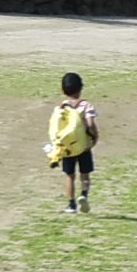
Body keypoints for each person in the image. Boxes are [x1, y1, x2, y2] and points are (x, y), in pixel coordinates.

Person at [46, 71, 100, 215]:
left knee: (70, 176)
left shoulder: (60, 108)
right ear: (81, 88)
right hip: (84, 147)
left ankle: (71, 204)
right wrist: (95, 136)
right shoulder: (86, 105)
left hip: (68, 148)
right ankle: (84, 194)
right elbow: (90, 122)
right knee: (85, 175)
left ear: (63, 90)